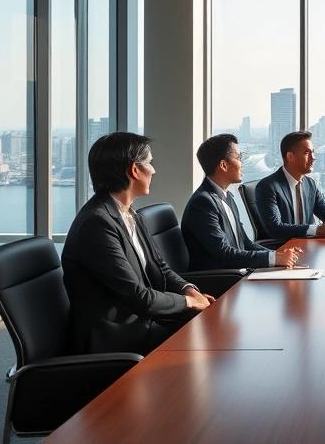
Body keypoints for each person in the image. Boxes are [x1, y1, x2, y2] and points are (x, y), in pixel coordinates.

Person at [62, 132, 214, 356]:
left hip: (144, 323)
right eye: (150, 163)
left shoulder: (131, 215)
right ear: (135, 170)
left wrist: (189, 290)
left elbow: (161, 267)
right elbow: (140, 297)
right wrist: (189, 303)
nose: (154, 170)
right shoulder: (96, 224)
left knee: (213, 334)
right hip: (118, 340)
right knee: (206, 348)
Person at [181, 134, 301, 270]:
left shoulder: (227, 197)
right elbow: (225, 255)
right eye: (238, 158)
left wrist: (277, 255)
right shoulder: (202, 204)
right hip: (221, 281)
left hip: (237, 273)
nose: (242, 164)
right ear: (223, 165)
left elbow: (245, 243)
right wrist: (274, 259)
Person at [255, 131, 325, 240]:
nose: (313, 157)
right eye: (307, 153)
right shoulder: (268, 187)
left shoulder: (310, 184)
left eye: (313, 152)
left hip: (309, 248)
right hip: (284, 250)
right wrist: (317, 230)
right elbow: (275, 229)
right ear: (290, 156)